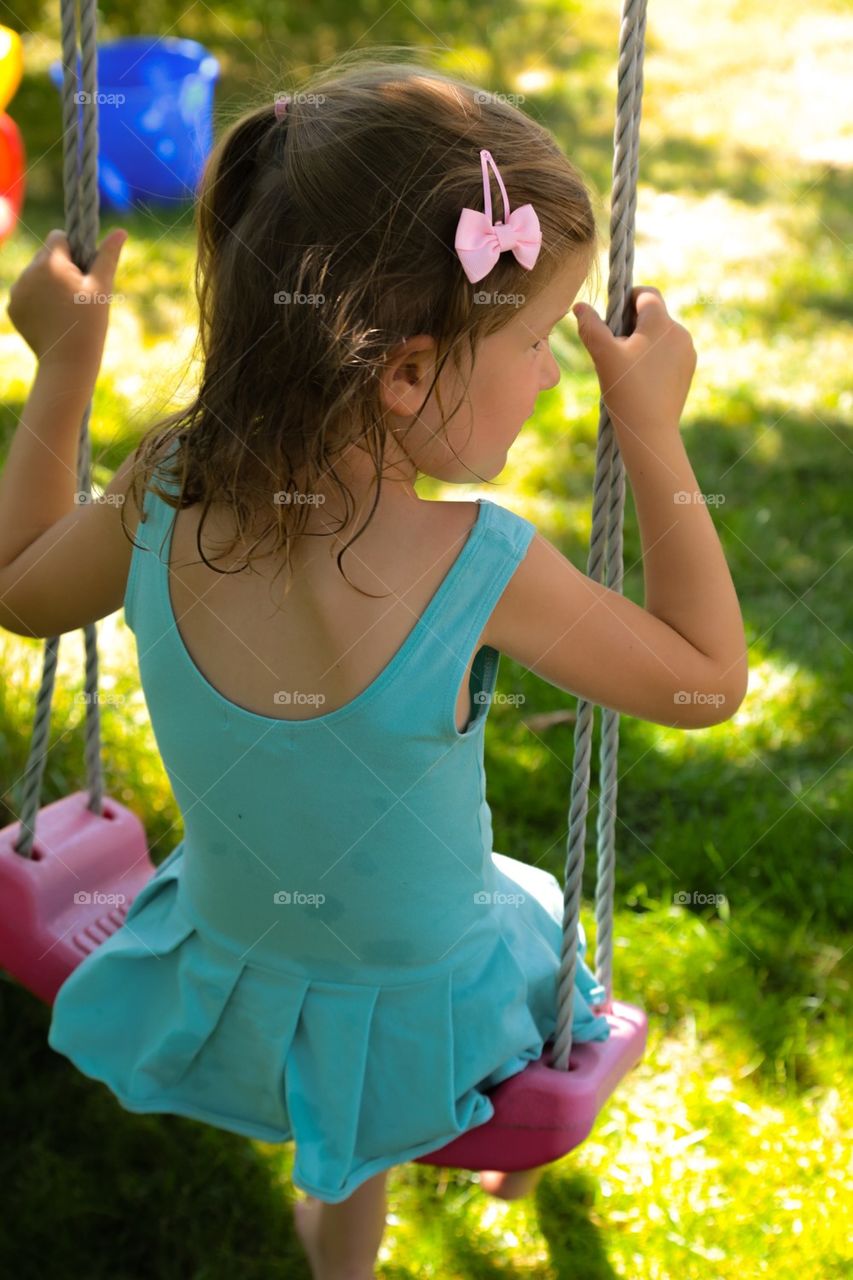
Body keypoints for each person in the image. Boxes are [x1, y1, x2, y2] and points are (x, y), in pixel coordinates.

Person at [0, 57, 748, 1280]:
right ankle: (463, 1132)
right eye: (530, 341)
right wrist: (653, 431)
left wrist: (63, 366)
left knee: (351, 1032)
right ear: (404, 370)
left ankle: (341, 1248)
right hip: (428, 1001)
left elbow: (17, 587)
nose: (556, 372)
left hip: (233, 986)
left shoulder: (163, 488)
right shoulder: (482, 563)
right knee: (510, 931)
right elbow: (705, 679)